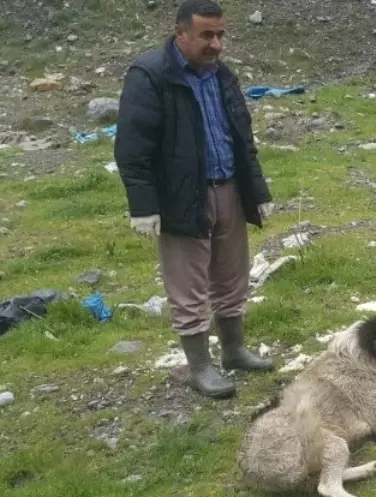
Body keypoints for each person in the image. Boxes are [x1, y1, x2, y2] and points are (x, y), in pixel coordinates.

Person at [115, 0, 274, 399]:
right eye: (206, 35)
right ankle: (200, 367)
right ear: (180, 32)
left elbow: (242, 139)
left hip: (230, 189)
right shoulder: (151, 75)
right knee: (188, 286)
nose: (216, 44)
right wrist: (143, 205)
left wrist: (257, 191)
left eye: (221, 34)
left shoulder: (223, 76)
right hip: (182, 197)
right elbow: (133, 146)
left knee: (233, 276)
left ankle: (234, 350)